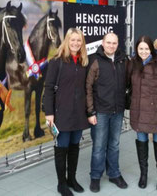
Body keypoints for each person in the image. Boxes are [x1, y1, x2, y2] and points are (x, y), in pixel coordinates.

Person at [44, 28, 90, 196]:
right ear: (67, 41)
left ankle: (72, 179)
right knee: (61, 147)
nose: (76, 43)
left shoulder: (84, 61)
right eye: (73, 40)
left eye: (79, 40)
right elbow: (48, 88)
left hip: (78, 114)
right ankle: (61, 184)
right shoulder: (57, 61)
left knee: (74, 147)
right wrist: (49, 113)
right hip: (61, 113)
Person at [127, 35, 157, 191]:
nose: (144, 51)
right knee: (141, 142)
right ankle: (143, 174)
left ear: (152, 49)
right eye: (141, 49)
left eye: (147, 49)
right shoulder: (132, 64)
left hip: (156, 114)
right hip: (139, 113)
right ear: (136, 50)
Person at [86, 32, 128, 193]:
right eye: (108, 42)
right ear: (103, 43)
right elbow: (88, 87)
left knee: (114, 145)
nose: (111, 46)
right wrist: (90, 112)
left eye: (114, 43)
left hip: (117, 110)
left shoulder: (122, 60)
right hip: (100, 112)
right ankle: (95, 177)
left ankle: (114, 174)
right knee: (98, 146)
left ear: (118, 44)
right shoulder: (95, 61)